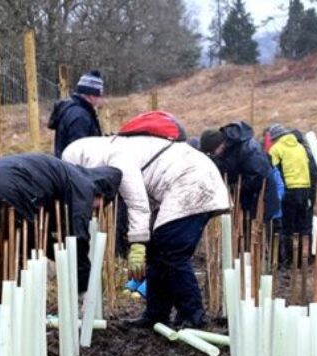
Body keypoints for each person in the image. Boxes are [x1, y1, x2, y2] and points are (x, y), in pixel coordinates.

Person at [62, 111, 232, 330]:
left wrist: (138, 244)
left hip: (192, 185)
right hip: (186, 187)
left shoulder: (117, 157)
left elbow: (138, 204)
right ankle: (156, 314)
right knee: (159, 252)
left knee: (172, 253)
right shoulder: (119, 149)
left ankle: (193, 316)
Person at [0, 154, 122, 303]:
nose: (92, 212)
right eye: (97, 209)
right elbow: (78, 237)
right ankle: (13, 307)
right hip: (7, 190)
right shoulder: (84, 186)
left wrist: (58, 250)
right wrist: (84, 285)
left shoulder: (66, 174)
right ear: (101, 195)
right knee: (20, 248)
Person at [198, 122, 276, 245]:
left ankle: (259, 259)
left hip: (260, 197)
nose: (213, 156)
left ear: (221, 146)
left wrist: (236, 187)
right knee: (242, 233)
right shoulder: (226, 151)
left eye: (213, 152)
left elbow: (258, 176)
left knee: (256, 233)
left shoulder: (249, 148)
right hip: (243, 198)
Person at [266, 124, 317, 270]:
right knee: (303, 226)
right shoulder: (300, 147)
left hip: (289, 191)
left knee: (287, 227)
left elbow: (273, 172)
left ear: (274, 138)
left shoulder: (276, 149)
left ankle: (288, 261)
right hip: (305, 190)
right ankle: (304, 260)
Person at [48, 70, 105, 157]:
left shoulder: (73, 109)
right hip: (74, 169)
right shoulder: (80, 117)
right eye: (99, 95)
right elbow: (78, 154)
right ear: (91, 94)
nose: (101, 99)